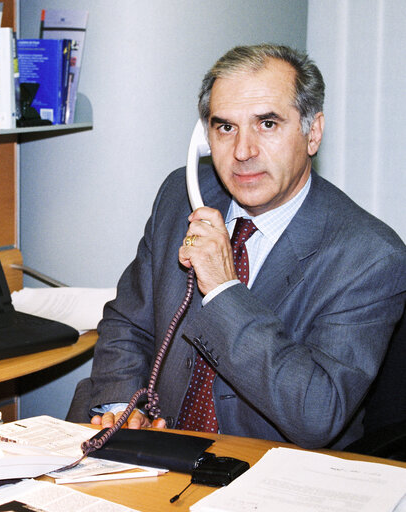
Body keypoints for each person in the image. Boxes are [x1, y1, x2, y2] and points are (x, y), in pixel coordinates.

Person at [66, 44, 406, 450]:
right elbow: (128, 322)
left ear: (312, 133)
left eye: (267, 124)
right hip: (154, 455)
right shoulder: (182, 196)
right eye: (225, 127)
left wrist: (225, 291)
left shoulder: (369, 257)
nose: (243, 152)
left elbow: (318, 413)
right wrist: (121, 406)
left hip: (268, 475)